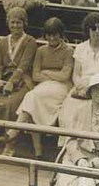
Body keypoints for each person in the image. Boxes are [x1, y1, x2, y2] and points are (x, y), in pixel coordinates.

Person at [8, 17, 75, 159]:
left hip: (62, 88)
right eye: (48, 35)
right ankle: (38, 151)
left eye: (55, 34)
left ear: (61, 34)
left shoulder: (68, 51)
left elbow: (65, 76)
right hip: (43, 86)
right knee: (33, 98)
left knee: (32, 97)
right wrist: (51, 75)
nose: (51, 38)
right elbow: (35, 75)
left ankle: (15, 130)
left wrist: (47, 73)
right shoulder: (41, 50)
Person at [0, 7, 36, 154]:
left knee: (11, 103)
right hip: (3, 78)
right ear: (8, 23)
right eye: (12, 22)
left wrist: (11, 82)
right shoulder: (3, 41)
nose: (15, 25)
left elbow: (24, 65)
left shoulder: (30, 41)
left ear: (24, 23)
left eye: (19, 22)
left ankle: (10, 142)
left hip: (22, 80)